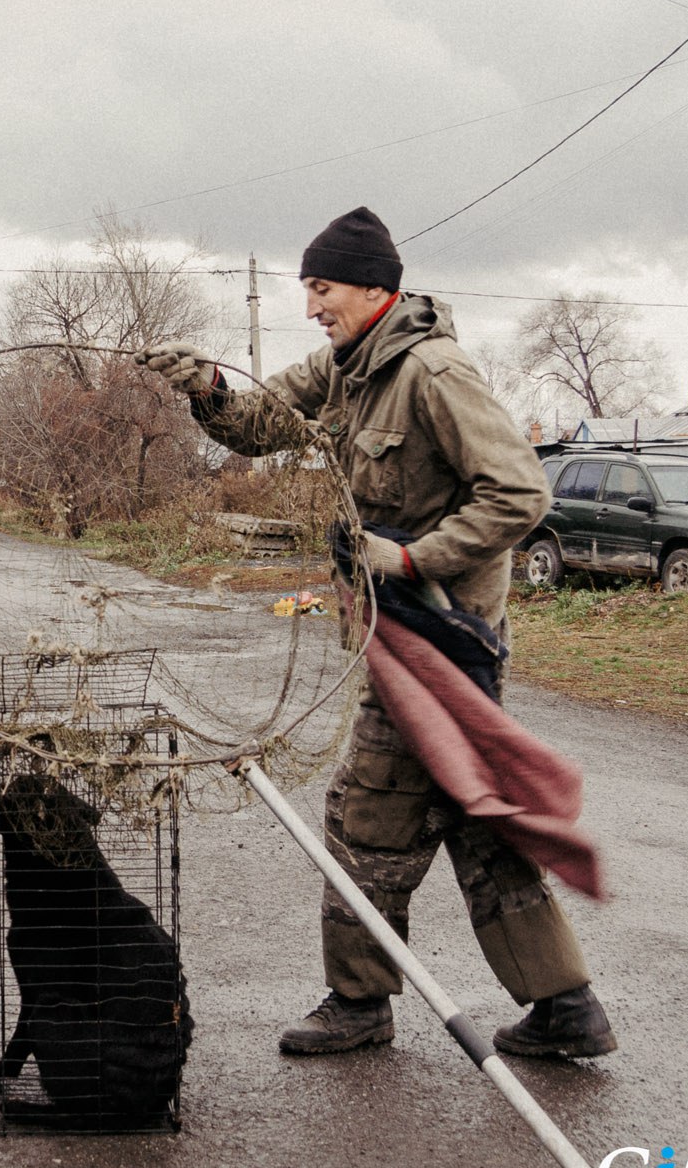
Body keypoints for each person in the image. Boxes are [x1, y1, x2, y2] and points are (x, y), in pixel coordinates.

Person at [138, 207, 615, 1060]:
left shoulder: (433, 372)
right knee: (476, 814)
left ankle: (359, 1001)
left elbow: (519, 494)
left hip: (441, 635)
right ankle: (566, 1004)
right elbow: (262, 423)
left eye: (321, 289)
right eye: (308, 290)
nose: (312, 306)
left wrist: (412, 558)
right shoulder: (349, 366)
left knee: (366, 813)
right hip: (400, 636)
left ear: (373, 286)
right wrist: (202, 387)